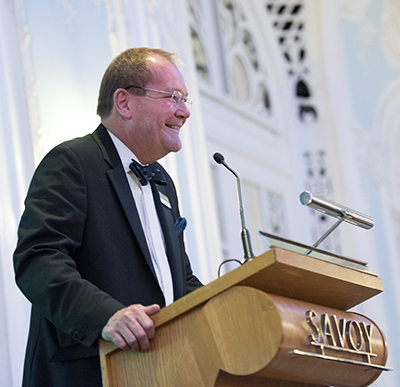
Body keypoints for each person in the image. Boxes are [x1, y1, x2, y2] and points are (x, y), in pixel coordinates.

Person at [13, 47, 202, 387]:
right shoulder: (73, 162)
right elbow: (38, 259)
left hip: (159, 372)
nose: (185, 112)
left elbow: (179, 281)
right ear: (125, 102)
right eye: (174, 97)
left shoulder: (161, 181)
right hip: (88, 371)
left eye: (186, 100)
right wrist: (107, 316)